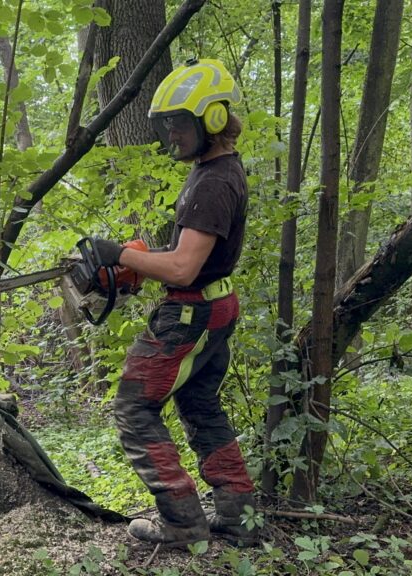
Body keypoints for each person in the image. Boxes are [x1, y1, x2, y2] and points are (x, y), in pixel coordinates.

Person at [90, 58, 258, 548]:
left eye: (179, 122)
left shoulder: (212, 183)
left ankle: (183, 524)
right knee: (201, 405)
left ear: (210, 119)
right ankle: (239, 515)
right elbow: (190, 260)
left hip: (190, 313)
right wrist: (142, 264)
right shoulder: (217, 171)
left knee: (133, 407)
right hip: (213, 304)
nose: (171, 133)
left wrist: (118, 254)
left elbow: (184, 269)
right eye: (166, 123)